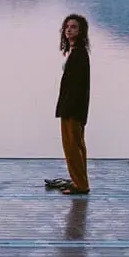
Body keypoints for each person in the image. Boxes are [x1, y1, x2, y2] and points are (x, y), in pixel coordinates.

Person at [51, 13, 90, 195]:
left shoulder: (79, 54)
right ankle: (79, 180)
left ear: (81, 31)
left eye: (73, 27)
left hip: (73, 109)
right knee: (77, 145)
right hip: (73, 107)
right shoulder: (76, 52)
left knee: (72, 147)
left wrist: (67, 109)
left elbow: (78, 86)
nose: (68, 29)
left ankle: (80, 185)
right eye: (67, 26)